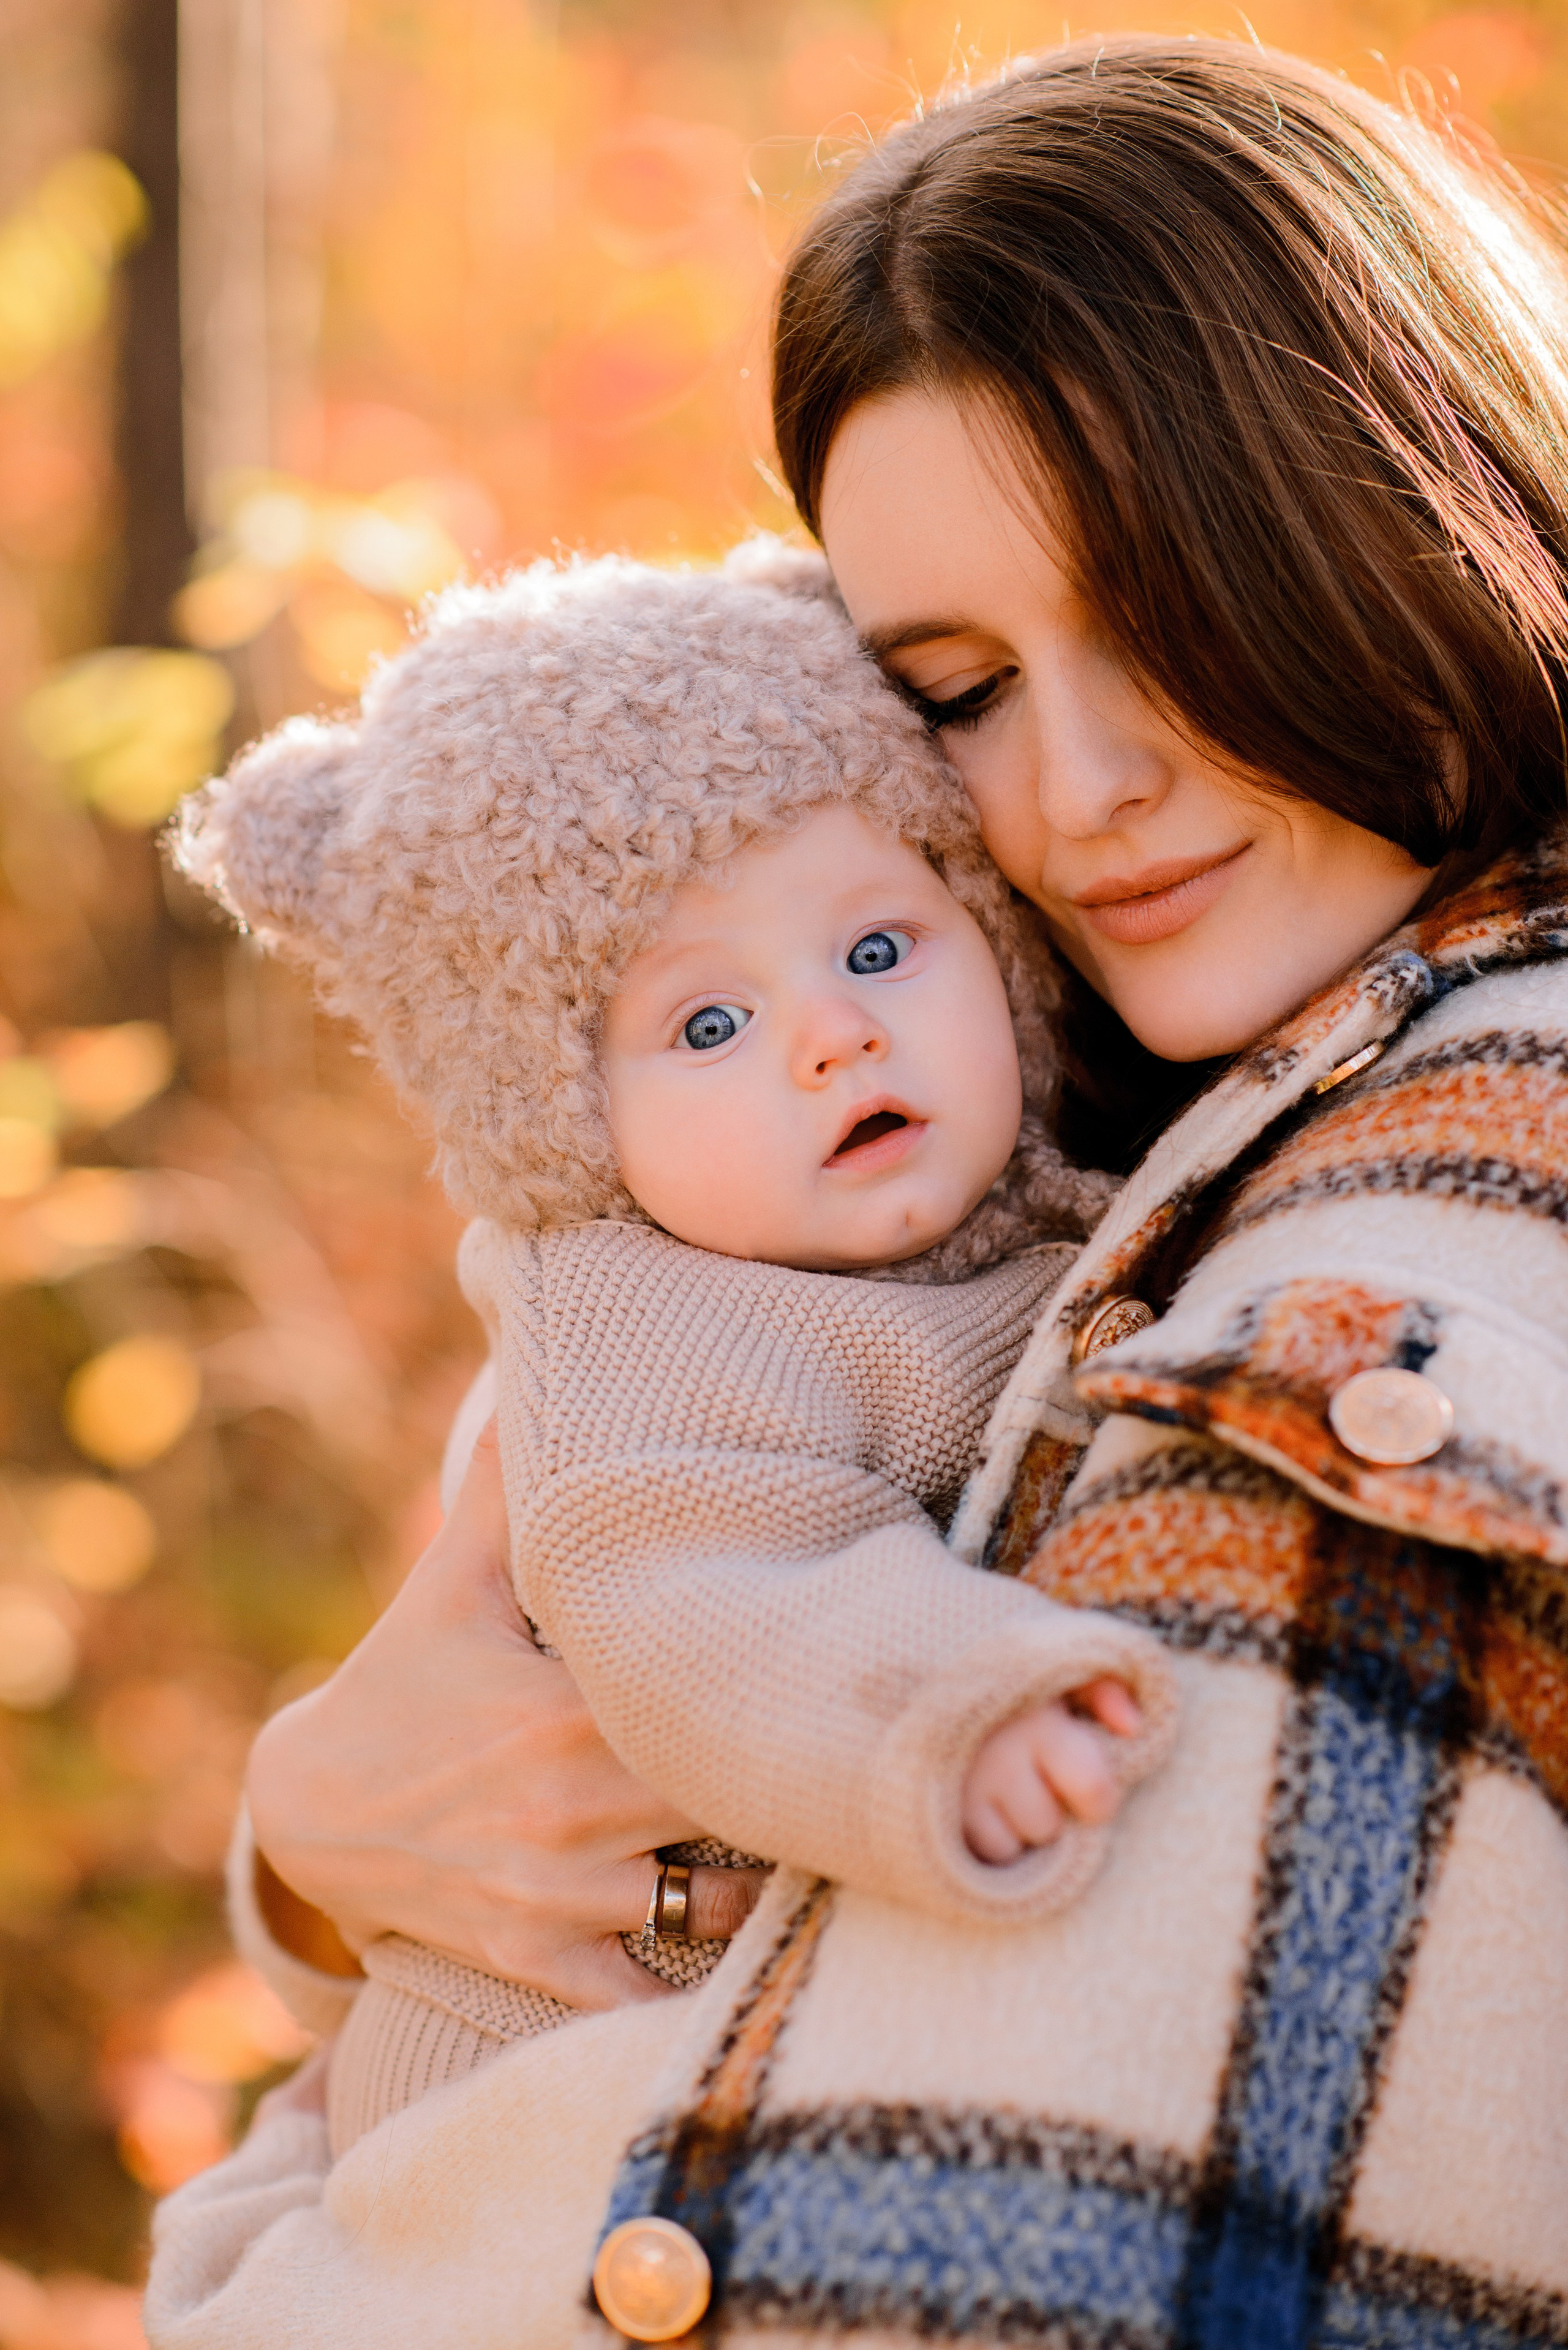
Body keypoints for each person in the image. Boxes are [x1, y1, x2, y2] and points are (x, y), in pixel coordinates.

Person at [146, 34, 1568, 2348]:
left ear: (1408, 494)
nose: (1089, 788)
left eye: (1177, 609)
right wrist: (314, 1836)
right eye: (963, 685)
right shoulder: (1016, 1145)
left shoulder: (1462, 1153)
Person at [172, 545, 1173, 2155]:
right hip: (522, 2120)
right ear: (565, 1126)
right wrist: (954, 1719)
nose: (834, 1035)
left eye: (879, 949)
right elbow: (710, 1595)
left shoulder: (1028, 1213)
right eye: (707, 1026)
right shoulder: (645, 1325)